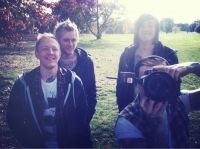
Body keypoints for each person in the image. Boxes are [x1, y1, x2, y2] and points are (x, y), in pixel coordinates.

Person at [7, 33, 89, 148]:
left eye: (54, 49)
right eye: (45, 49)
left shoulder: (74, 82)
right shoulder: (23, 84)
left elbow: (82, 120)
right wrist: (29, 142)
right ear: (37, 54)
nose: (50, 52)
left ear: (59, 54)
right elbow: (14, 118)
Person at [115, 55, 200, 148]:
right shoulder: (127, 121)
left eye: (161, 78)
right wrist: (155, 128)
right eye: (148, 79)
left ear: (171, 81)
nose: (157, 84)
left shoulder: (178, 101)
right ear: (138, 84)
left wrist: (193, 67)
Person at [116, 14, 179, 112]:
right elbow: (120, 84)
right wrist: (122, 107)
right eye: (142, 25)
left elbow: (175, 88)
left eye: (150, 25)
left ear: (156, 29)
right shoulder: (127, 54)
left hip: (159, 110)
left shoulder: (169, 55)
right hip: (131, 109)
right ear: (137, 29)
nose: (146, 29)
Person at [54, 19, 96, 147]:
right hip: (57, 125)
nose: (70, 44)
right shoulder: (52, 60)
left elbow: (91, 93)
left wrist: (85, 119)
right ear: (58, 40)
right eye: (66, 40)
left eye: (73, 40)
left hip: (81, 124)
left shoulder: (86, 61)